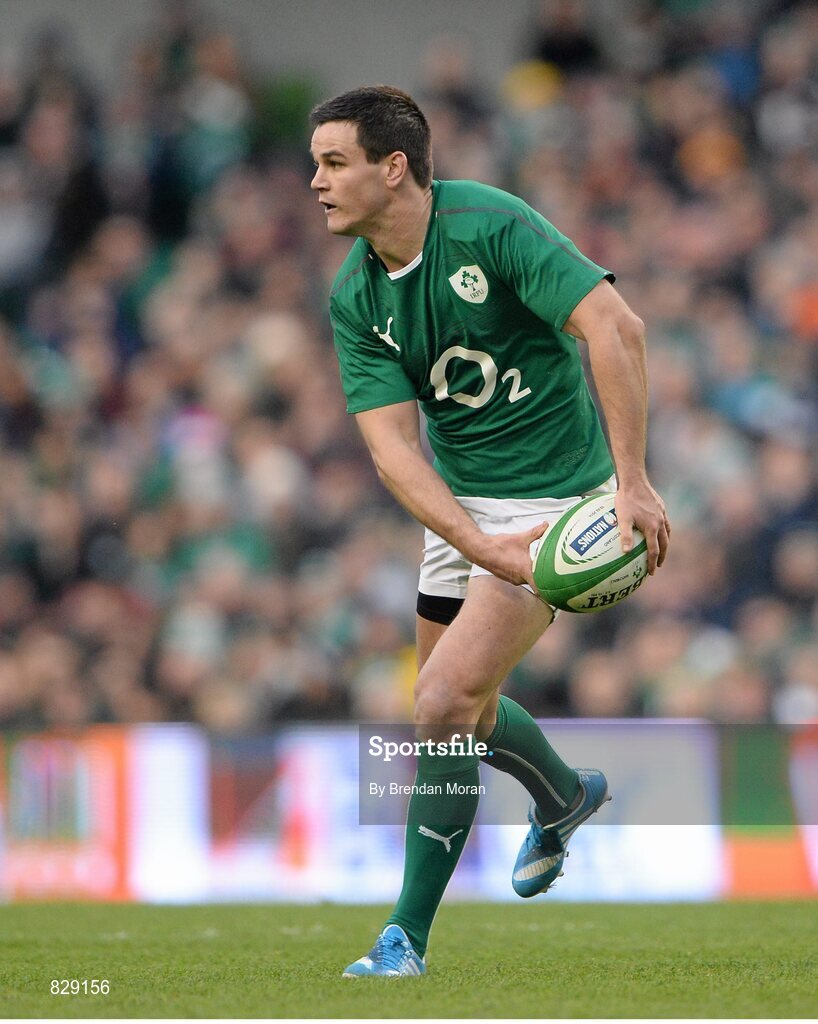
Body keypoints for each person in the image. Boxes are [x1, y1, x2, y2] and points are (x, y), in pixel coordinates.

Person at [308, 85, 669, 978]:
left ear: (394, 169)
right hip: (469, 510)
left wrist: (635, 484)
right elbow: (394, 454)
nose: (314, 181)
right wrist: (476, 542)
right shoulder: (356, 296)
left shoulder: (491, 225)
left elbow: (614, 326)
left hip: (561, 505)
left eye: (333, 162)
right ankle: (562, 796)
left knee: (440, 705)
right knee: (447, 715)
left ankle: (404, 940)